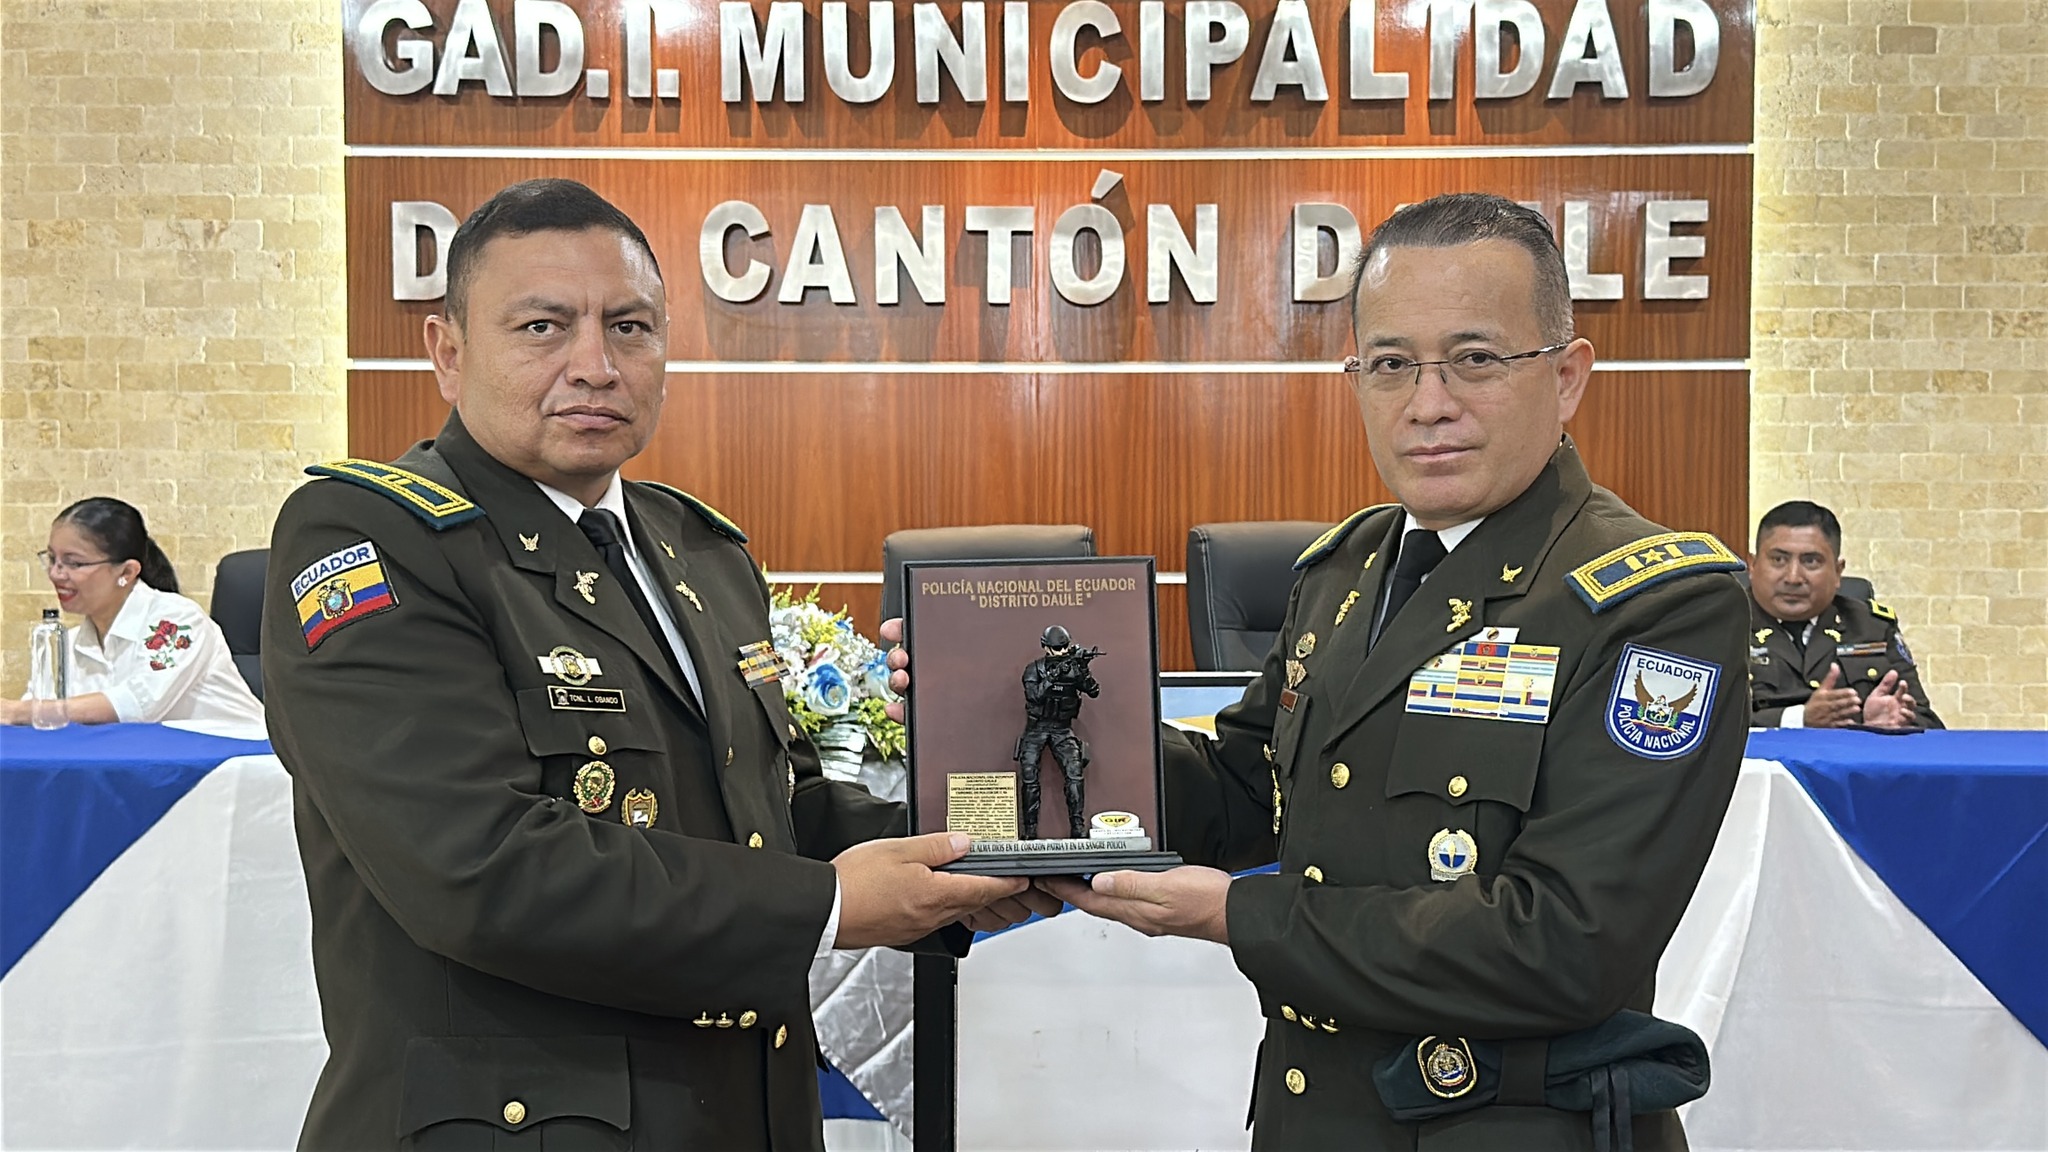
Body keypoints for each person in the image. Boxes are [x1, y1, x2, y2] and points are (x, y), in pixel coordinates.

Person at [262, 179, 1048, 1150]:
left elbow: (769, 818)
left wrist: (984, 844)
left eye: (629, 327)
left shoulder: (699, 551)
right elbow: (481, 869)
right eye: (543, 327)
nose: (595, 366)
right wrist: (837, 903)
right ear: (448, 353)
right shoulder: (372, 538)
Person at [1043, 194, 1749, 1149]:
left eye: (1476, 358)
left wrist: (1242, 916)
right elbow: (1245, 792)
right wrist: (1031, 712)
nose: (1428, 403)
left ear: (1568, 376)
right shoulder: (1343, 573)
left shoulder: (1656, 604)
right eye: (1389, 365)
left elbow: (1566, 944)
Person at [3, 497, 263, 730]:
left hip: (237, 760)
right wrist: (21, 713)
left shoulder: (178, 622)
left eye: (74, 563)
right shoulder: (67, 643)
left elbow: (138, 705)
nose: (55, 574)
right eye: (52, 559)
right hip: (140, 763)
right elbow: (37, 717)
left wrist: (18, 711)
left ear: (127, 572)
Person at [1747, 500, 1941, 729]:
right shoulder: (1720, 626)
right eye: (1779, 560)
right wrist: (1799, 719)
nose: (1793, 577)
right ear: (1752, 565)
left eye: (1811, 561)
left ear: (1838, 572)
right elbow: (1709, 725)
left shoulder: (1871, 627)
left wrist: (1882, 723)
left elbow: (1928, 724)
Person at [1014, 624, 1101, 839]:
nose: (1061, 652)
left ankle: (1077, 828)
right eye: (1057, 648)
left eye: (1064, 647)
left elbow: (1093, 691)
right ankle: (1030, 830)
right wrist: (1053, 676)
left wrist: (1082, 670)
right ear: (1046, 647)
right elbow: (1034, 696)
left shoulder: (1073, 668)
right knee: (1029, 776)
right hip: (1037, 728)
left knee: (1074, 773)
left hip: (1062, 729)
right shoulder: (1034, 669)